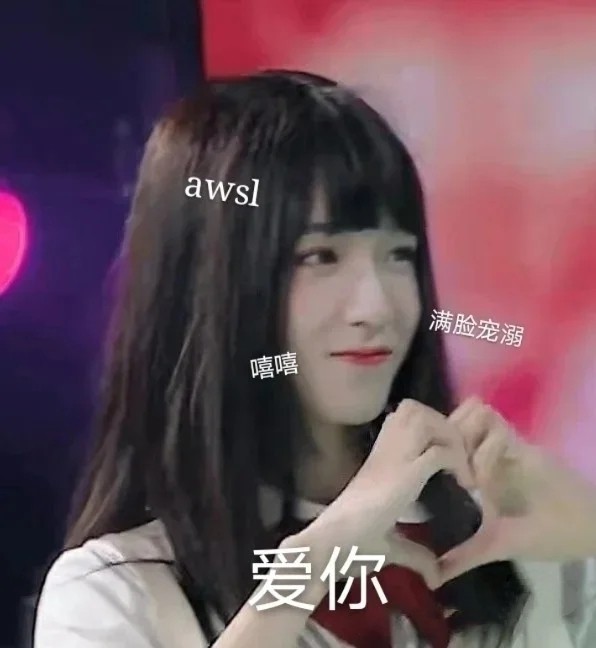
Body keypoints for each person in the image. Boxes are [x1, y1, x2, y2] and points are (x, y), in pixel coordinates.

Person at [33, 70, 596, 648]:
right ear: (211, 285)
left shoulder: (516, 542)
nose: (377, 307)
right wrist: (310, 567)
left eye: (398, 255)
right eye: (321, 256)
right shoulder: (116, 594)